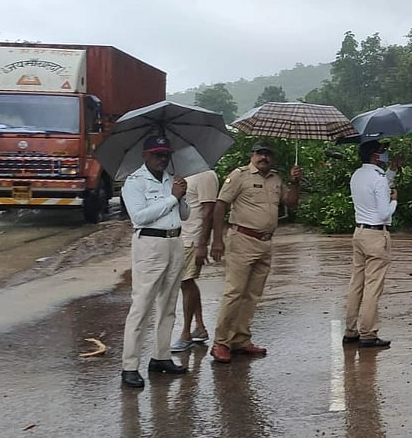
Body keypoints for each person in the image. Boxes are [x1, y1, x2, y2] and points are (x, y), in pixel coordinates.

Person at [208, 140, 302, 363]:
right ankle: (221, 342)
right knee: (234, 292)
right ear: (252, 155)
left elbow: (291, 202)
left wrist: (295, 182)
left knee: (252, 294)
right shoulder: (239, 176)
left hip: (265, 243)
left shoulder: (276, 178)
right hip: (242, 239)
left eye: (268, 154)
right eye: (260, 153)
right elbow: (220, 204)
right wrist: (217, 240)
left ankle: (240, 339)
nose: (264, 158)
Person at [120, 135, 190, 388]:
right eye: (158, 154)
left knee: (169, 303)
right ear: (145, 155)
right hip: (150, 244)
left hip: (174, 241)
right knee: (142, 305)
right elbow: (139, 217)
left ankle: (161, 356)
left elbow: (184, 214)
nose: (163, 158)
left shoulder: (172, 179)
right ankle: (130, 366)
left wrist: (181, 196)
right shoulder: (134, 182)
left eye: (166, 154)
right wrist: (172, 197)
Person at [342, 140, 395, 348]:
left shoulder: (357, 175)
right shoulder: (378, 180)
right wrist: (395, 202)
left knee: (357, 284)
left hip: (360, 232)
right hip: (376, 235)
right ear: (375, 155)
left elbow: (377, 190)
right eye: (383, 151)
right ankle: (368, 333)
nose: (385, 153)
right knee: (373, 287)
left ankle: (351, 331)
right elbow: (383, 212)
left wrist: (391, 172)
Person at [170, 169, 218, 353]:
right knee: (186, 283)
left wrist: (202, 244)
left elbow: (209, 211)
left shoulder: (206, 174)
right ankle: (199, 327)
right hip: (179, 236)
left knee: (186, 282)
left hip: (192, 238)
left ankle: (186, 334)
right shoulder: (182, 175)